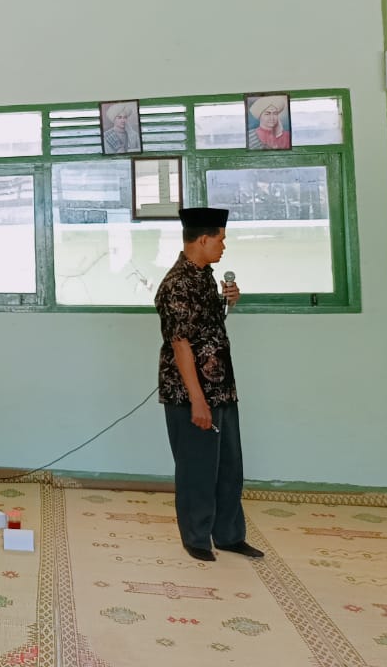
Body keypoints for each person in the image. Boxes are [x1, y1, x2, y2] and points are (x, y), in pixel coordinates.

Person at [154, 207, 262, 563]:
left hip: (221, 389)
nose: (223, 246)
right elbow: (181, 344)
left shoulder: (204, 276)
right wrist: (197, 401)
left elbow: (207, 329)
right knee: (197, 467)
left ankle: (230, 535)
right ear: (203, 239)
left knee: (230, 466)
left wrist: (230, 300)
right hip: (191, 394)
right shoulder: (176, 284)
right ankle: (197, 538)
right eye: (221, 239)